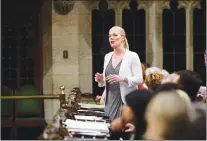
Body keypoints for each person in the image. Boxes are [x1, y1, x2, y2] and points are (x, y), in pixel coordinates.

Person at [94, 26, 143, 120]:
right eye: (109, 36)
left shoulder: (132, 56)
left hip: (125, 100)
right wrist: (101, 79)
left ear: (123, 38)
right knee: (109, 128)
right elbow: (107, 81)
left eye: (114, 35)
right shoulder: (107, 56)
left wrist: (123, 78)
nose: (111, 38)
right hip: (109, 101)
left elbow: (139, 79)